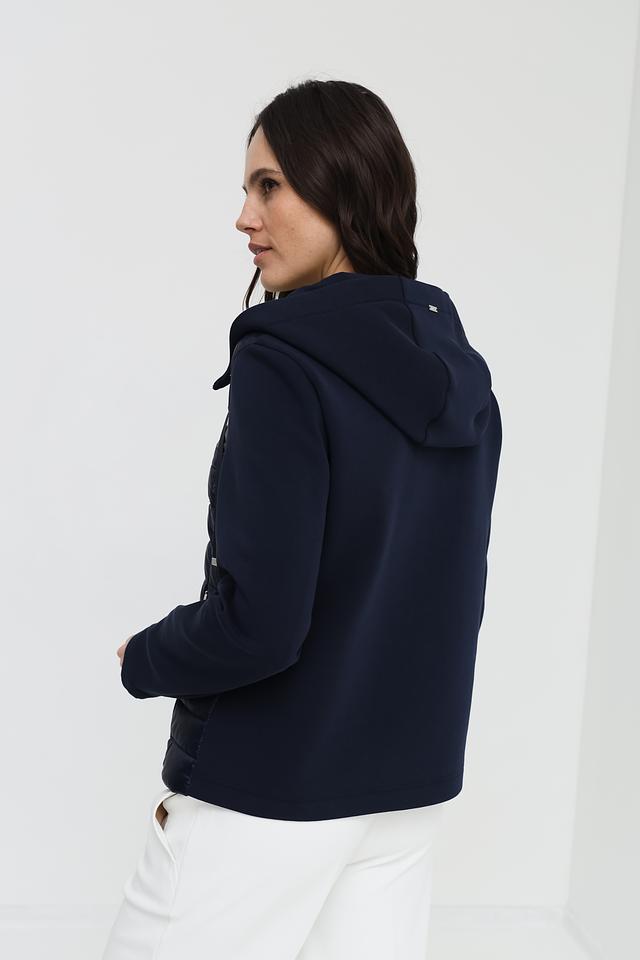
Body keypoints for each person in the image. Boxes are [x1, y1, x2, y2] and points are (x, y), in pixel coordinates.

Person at [103, 78, 502, 959]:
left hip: (269, 788)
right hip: (404, 795)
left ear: (343, 189)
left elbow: (261, 624)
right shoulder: (462, 372)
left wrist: (149, 656)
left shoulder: (284, 363)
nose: (244, 217)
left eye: (270, 186)